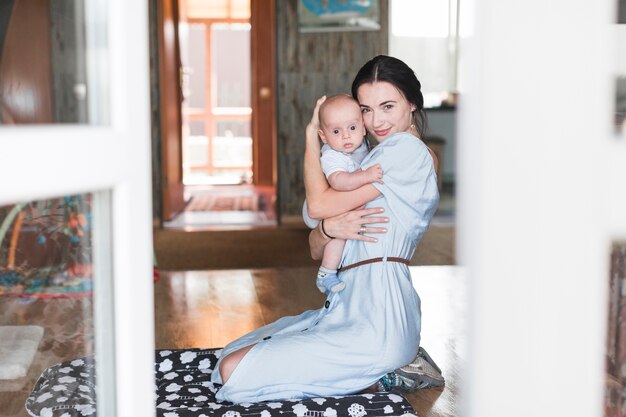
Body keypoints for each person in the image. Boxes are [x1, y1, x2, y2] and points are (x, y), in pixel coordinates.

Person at [211, 55, 443, 403]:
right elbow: (316, 244)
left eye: (388, 106)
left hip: (379, 317)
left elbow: (316, 206)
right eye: (365, 109)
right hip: (349, 306)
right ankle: (385, 371)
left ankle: (389, 376)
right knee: (233, 355)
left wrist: (310, 139)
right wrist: (328, 228)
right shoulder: (364, 159)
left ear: (412, 104)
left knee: (234, 371)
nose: (376, 120)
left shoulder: (406, 150)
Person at [308, 94, 383, 294]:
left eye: (352, 128)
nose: (346, 136)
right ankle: (326, 273)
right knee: (339, 235)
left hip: (347, 204)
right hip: (333, 207)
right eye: (336, 131)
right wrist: (365, 176)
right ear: (324, 136)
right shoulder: (332, 155)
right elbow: (338, 181)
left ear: (363, 128)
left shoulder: (363, 145)